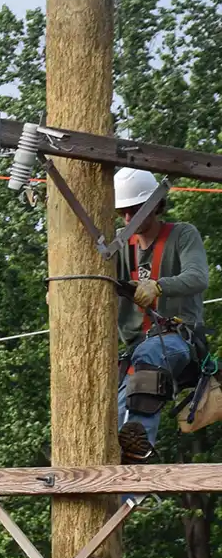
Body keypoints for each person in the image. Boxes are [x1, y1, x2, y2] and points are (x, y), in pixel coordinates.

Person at [114, 167, 209, 462]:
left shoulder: (182, 235)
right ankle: (118, 465)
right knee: (115, 403)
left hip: (179, 339)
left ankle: (139, 446)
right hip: (134, 349)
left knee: (151, 354)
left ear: (154, 205)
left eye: (134, 210)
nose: (127, 219)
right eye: (122, 212)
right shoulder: (118, 245)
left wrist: (158, 286)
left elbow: (198, 277)